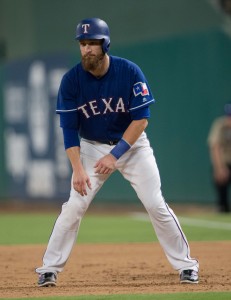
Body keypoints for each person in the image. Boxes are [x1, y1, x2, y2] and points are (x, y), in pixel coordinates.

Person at [35, 17, 199, 287]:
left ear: (105, 44)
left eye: (92, 43)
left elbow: (141, 120)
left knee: (155, 204)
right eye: (82, 43)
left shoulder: (129, 72)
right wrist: (77, 168)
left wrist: (116, 155)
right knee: (74, 205)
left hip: (132, 146)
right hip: (90, 147)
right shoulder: (71, 81)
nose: (86, 49)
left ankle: (187, 266)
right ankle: (49, 269)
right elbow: (68, 129)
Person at [207, 103, 231, 213]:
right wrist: (219, 168)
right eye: (228, 116)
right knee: (220, 178)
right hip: (225, 161)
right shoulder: (220, 125)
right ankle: (222, 207)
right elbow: (215, 146)